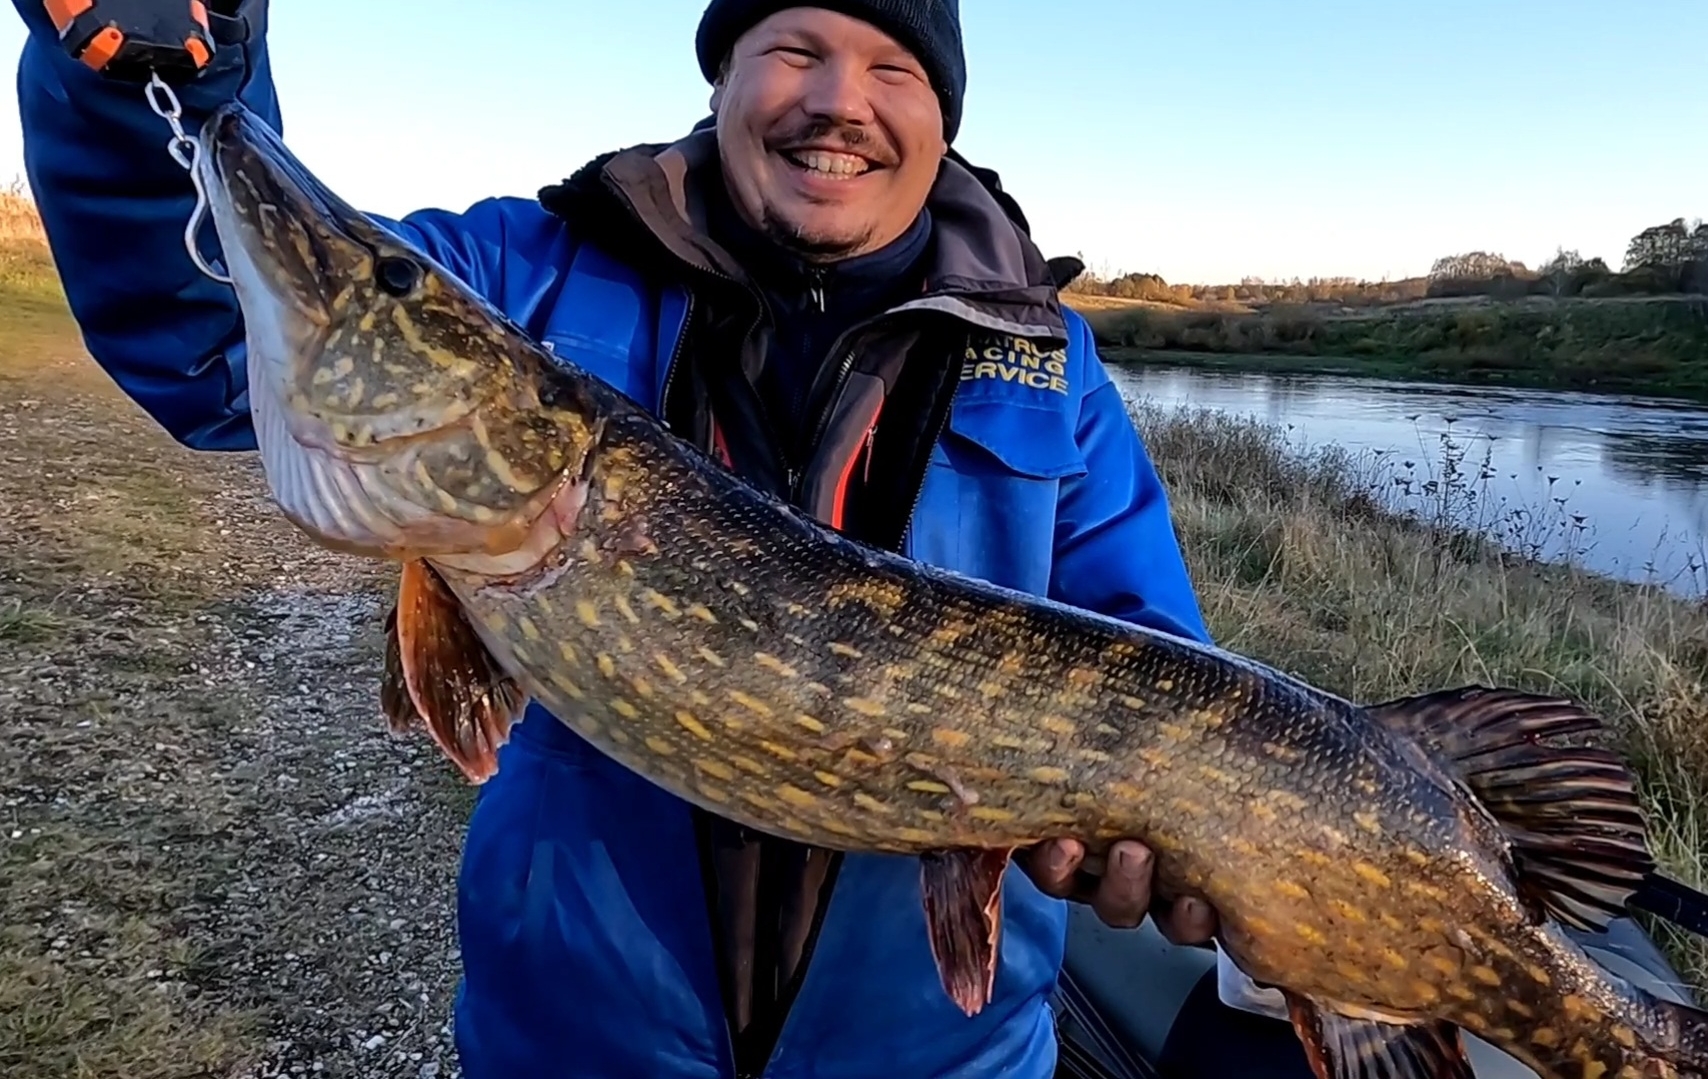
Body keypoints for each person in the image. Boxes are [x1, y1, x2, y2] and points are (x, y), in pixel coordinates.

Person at [12, 1, 1225, 1076]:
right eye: (793, 48)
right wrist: (158, 79)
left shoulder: (1049, 363)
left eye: (890, 68)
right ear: (722, 72)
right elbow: (213, 319)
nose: (838, 100)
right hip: (581, 1042)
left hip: (945, 1059)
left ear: (941, 112)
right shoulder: (525, 275)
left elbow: (1161, 675)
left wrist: (1155, 839)